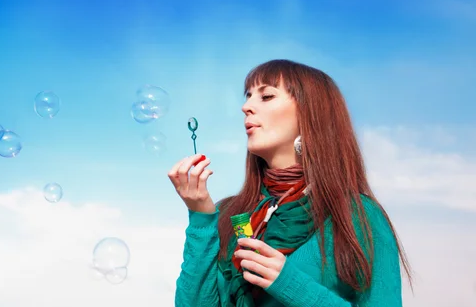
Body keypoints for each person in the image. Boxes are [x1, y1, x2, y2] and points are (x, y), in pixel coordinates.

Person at [168, 59, 412, 306]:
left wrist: (289, 283)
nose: (246, 107)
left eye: (266, 96)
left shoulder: (358, 216)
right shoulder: (231, 214)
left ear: (310, 113)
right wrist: (201, 217)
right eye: (248, 96)